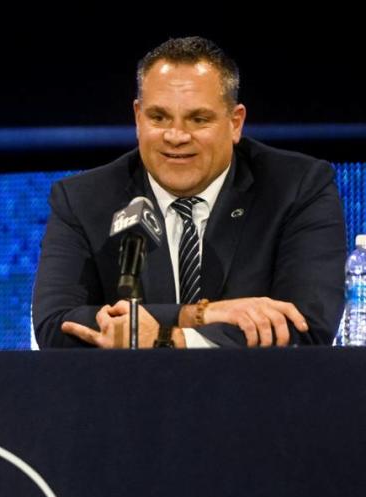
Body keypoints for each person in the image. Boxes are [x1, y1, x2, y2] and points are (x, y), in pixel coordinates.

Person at [32, 36, 347, 349]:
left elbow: (307, 325)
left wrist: (169, 338)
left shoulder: (297, 186)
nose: (176, 136)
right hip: (125, 397)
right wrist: (198, 315)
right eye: (159, 117)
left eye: (198, 119)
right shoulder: (83, 200)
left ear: (235, 123)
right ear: (137, 118)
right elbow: (55, 325)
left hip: (258, 394)